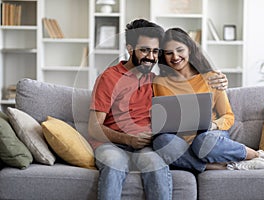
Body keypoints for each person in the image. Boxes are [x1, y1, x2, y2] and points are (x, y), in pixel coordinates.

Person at [88, 19, 229, 200]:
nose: (151, 57)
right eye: (144, 50)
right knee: (115, 164)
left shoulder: (156, 80)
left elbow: (189, 84)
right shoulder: (108, 78)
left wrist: (220, 80)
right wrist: (128, 139)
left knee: (155, 164)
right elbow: (94, 127)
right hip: (110, 144)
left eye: (155, 51)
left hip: (145, 146)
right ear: (130, 49)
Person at [152, 27, 264, 173]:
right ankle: (225, 165)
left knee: (203, 142)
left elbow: (228, 116)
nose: (175, 57)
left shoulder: (212, 78)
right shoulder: (159, 82)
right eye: (169, 53)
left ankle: (258, 155)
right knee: (161, 142)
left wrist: (212, 125)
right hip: (179, 143)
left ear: (189, 49)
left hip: (209, 137)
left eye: (179, 50)